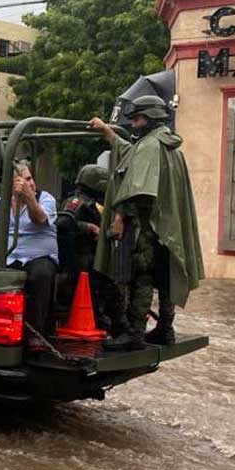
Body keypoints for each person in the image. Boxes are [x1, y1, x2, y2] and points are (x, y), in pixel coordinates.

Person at [90, 95, 204, 350]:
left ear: (151, 117)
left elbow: (137, 189)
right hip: (167, 226)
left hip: (148, 225)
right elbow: (133, 157)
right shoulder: (167, 144)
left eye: (138, 117)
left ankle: (135, 333)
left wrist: (118, 218)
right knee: (166, 275)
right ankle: (165, 328)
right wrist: (109, 134)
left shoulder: (151, 146)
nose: (133, 123)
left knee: (142, 275)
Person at [0, 160, 59, 354]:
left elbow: (40, 219)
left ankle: (37, 334)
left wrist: (28, 197)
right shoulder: (1, 204)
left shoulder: (45, 198)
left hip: (39, 256)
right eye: (25, 180)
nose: (30, 183)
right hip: (10, 257)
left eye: (30, 178)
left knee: (40, 275)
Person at [55, 163, 123, 331]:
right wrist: (89, 228)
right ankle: (107, 319)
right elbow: (63, 224)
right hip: (80, 257)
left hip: (90, 253)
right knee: (106, 281)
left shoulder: (94, 203)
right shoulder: (77, 201)